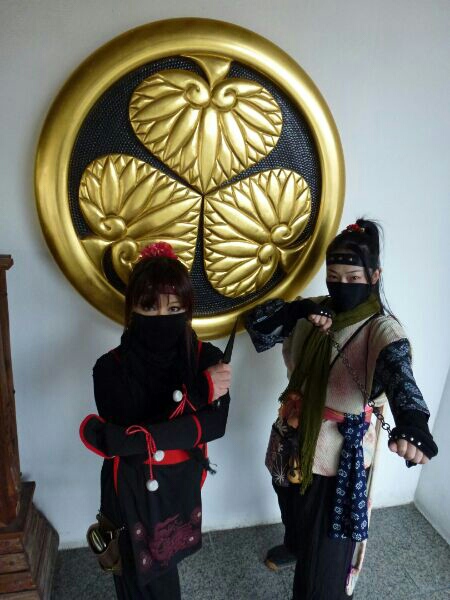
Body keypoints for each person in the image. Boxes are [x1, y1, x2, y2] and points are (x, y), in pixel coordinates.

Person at [245, 219, 438, 600]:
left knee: (323, 566)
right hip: (292, 432)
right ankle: (297, 543)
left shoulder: (381, 329)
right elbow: (257, 329)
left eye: (353, 277)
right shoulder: (315, 311)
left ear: (375, 276)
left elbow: (399, 372)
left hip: (338, 455)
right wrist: (295, 311)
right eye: (334, 277)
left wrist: (413, 421)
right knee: (291, 502)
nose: (341, 285)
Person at [80, 242, 232, 600]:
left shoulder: (206, 356)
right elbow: (129, 446)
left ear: (187, 309)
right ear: (132, 308)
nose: (163, 316)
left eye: (174, 307)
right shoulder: (109, 367)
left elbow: (216, 426)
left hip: (180, 480)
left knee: (164, 564)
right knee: (132, 571)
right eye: (150, 306)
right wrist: (196, 397)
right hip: (127, 486)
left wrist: (126, 438)